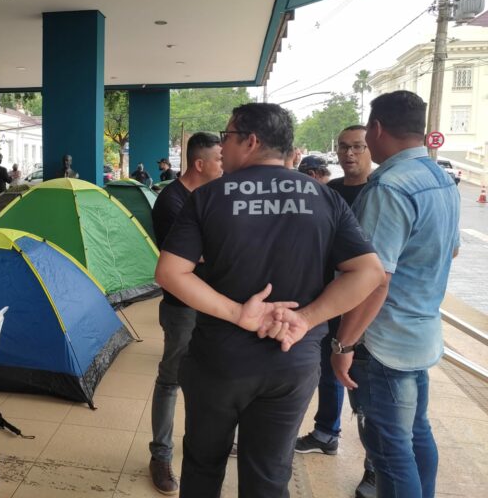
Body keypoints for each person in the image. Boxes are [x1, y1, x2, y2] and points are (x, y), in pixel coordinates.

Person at [155, 102, 384, 498]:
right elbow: (369, 272)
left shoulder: (209, 197)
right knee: (268, 475)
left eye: (227, 137)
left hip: (219, 362)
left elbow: (170, 272)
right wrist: (306, 319)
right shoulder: (323, 197)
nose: (221, 148)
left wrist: (238, 313)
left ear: (251, 140)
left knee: (203, 466)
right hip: (290, 361)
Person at [330, 91, 460, 498]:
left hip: (382, 341)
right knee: (417, 434)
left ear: (378, 129)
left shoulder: (389, 187)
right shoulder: (442, 179)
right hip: (420, 334)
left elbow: (374, 278)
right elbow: (451, 249)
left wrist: (344, 342)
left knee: (388, 451)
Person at [295, 124, 376, 495]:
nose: (349, 154)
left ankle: (375, 463)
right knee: (329, 369)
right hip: (331, 298)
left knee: (364, 386)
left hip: (371, 306)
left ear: (370, 146)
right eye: (343, 147)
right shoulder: (330, 193)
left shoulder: (381, 193)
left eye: (357, 146)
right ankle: (326, 431)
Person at [148, 132, 223, 494]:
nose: (224, 166)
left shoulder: (210, 195)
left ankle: (208, 444)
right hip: (182, 308)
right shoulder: (172, 202)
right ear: (200, 164)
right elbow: (195, 258)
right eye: (219, 160)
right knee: (171, 379)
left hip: (213, 304)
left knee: (209, 380)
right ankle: (161, 454)